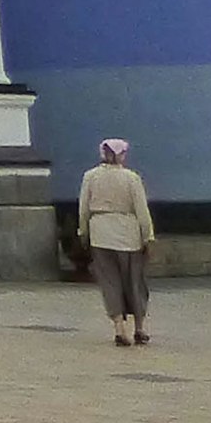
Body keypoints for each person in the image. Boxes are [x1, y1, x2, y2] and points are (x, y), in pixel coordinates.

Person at [79, 137, 155, 347]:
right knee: (135, 282)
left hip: (100, 234)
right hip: (129, 235)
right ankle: (139, 327)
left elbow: (83, 208)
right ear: (120, 154)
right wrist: (148, 236)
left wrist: (83, 232)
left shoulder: (90, 177)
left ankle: (119, 328)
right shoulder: (131, 178)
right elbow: (142, 210)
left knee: (109, 283)